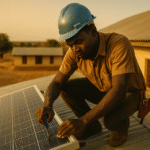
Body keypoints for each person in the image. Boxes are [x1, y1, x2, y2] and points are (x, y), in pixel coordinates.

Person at [36, 3, 146, 147]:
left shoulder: (118, 44)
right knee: (65, 87)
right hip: (104, 89)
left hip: (129, 93)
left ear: (93, 31)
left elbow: (119, 90)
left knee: (110, 120)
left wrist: (83, 120)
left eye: (79, 42)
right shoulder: (74, 52)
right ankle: (92, 127)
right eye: (70, 45)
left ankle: (120, 128)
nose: (75, 49)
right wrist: (47, 104)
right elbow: (57, 82)